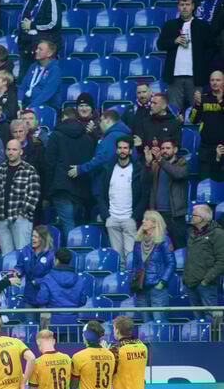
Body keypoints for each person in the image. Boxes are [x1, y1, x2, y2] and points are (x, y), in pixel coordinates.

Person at [98, 136, 148, 271]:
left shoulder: (138, 169)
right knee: (117, 259)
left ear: (131, 150)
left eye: (125, 148)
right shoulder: (108, 168)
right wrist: (106, 216)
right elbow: (100, 194)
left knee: (131, 258)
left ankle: (131, 288)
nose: (122, 150)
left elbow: (144, 196)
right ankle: (120, 285)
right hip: (112, 219)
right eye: (120, 148)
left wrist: (135, 216)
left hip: (129, 219)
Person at [157, 0, 212, 113]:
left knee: (197, 112)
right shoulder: (170, 25)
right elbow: (160, 44)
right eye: (182, 5)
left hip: (196, 77)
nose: (185, 7)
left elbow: (211, 49)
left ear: (193, 7)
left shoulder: (202, 26)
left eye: (187, 5)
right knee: (174, 112)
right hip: (174, 77)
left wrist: (203, 67)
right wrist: (174, 41)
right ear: (178, 7)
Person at [44, 108, 96, 234]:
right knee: (79, 226)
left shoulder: (55, 136)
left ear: (63, 119)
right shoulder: (88, 138)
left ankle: (70, 253)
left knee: (68, 225)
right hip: (82, 189)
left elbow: (49, 164)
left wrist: (47, 192)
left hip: (61, 188)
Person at [0, 139, 40, 255]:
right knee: (6, 256)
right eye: (9, 149)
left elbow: (34, 195)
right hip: (1, 219)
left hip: (21, 220)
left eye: (14, 149)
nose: (11, 152)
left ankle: (23, 274)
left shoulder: (29, 170)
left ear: (21, 152)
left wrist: (22, 214)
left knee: (22, 255)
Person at [128, 211, 175, 322]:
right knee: (146, 324)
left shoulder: (164, 240)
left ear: (155, 223)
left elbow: (171, 263)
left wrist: (162, 282)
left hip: (157, 287)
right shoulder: (138, 241)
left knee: (159, 322)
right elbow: (135, 263)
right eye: (144, 219)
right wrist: (135, 281)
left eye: (147, 219)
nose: (143, 221)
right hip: (141, 288)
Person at [32, 249, 88, 339]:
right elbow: (83, 300)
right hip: (72, 322)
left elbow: (42, 299)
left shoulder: (48, 278)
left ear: (56, 260)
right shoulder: (79, 278)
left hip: (52, 323)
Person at [144, 139, 189, 249]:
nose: (164, 151)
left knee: (179, 246)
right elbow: (145, 181)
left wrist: (160, 160)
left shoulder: (182, 162)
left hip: (175, 215)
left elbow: (177, 174)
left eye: (168, 148)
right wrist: (148, 163)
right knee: (158, 248)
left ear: (175, 150)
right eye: (163, 148)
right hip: (158, 214)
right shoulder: (156, 164)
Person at [183, 204, 224, 311]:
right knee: (197, 321)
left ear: (202, 218)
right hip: (191, 284)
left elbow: (222, 261)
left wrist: (206, 280)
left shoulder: (217, 234)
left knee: (211, 318)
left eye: (194, 215)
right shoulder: (191, 232)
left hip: (207, 285)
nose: (191, 217)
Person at [16, 225, 55, 317]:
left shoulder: (51, 255)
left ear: (43, 238)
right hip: (29, 295)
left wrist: (38, 281)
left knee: (44, 328)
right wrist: (17, 272)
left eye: (36, 237)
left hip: (45, 296)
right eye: (32, 236)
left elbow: (53, 275)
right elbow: (20, 266)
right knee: (30, 326)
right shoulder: (26, 250)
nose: (33, 239)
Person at [18, 39, 61, 109]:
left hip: (46, 106)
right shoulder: (33, 66)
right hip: (27, 104)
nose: (36, 51)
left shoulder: (54, 70)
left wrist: (30, 107)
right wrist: (19, 101)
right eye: (37, 48)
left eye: (40, 49)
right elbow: (22, 87)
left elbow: (47, 93)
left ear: (49, 53)